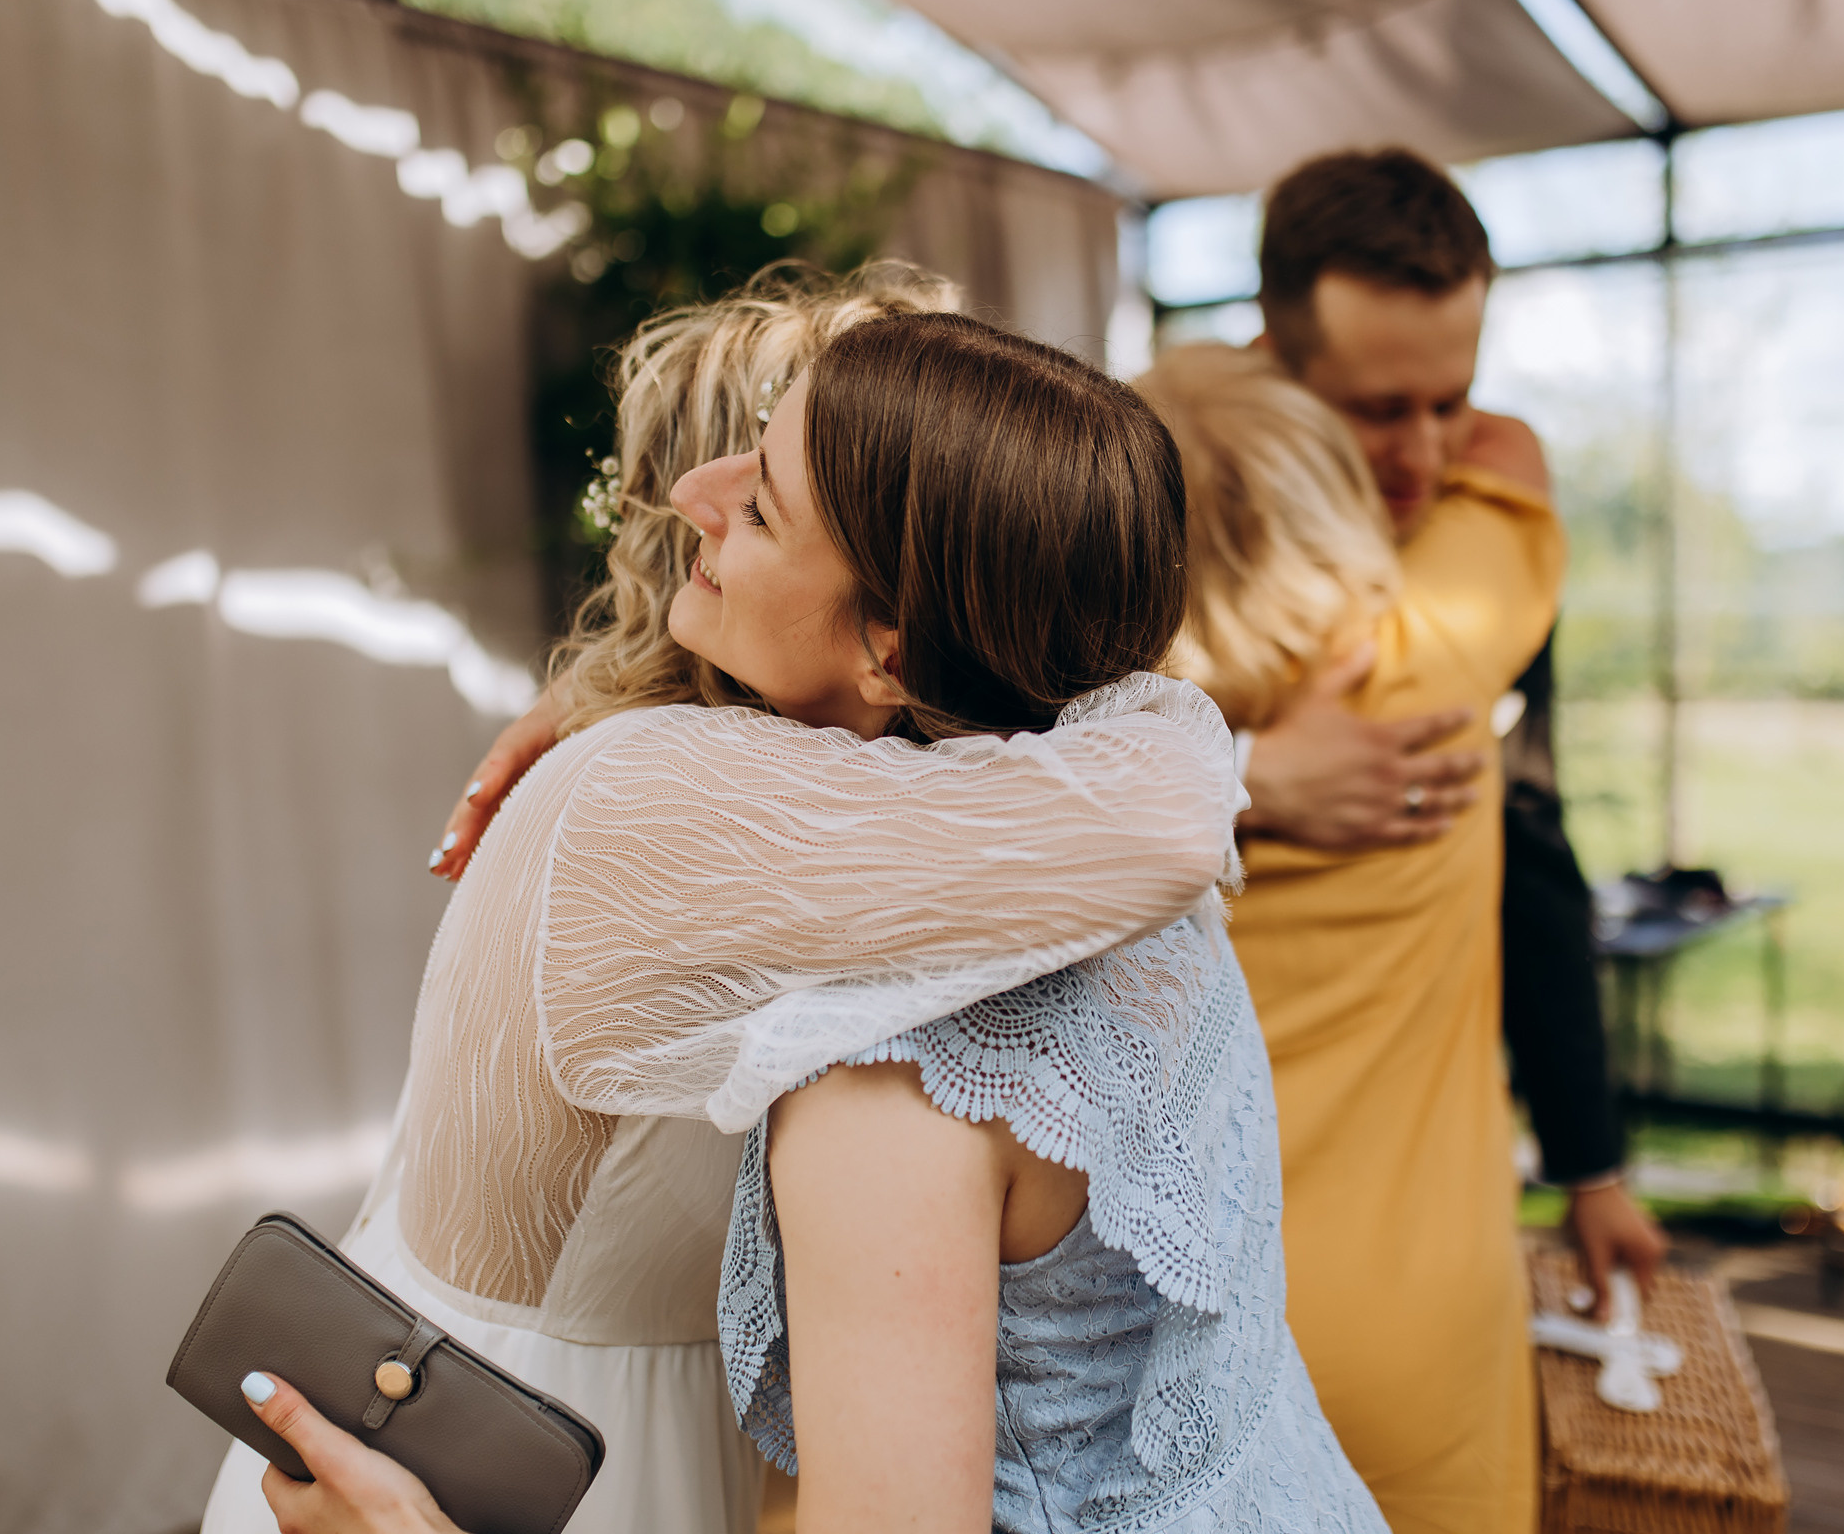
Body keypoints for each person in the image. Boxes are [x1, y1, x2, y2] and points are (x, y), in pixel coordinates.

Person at [215, 286, 1383, 1534]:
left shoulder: (921, 966)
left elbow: (1162, 810)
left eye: (763, 501)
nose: (689, 502)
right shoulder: (1099, 910)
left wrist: (601, 714)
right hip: (476, 1451)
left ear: (895, 643)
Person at [1189, 148, 1661, 1532]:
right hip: (1393, 1327)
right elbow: (1517, 465)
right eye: (1375, 412)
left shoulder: (1097, 655)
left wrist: (1589, 1154)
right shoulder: (1471, 591)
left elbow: (1529, 849)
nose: (1428, 455)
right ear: (1276, 363)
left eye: (1452, 399)